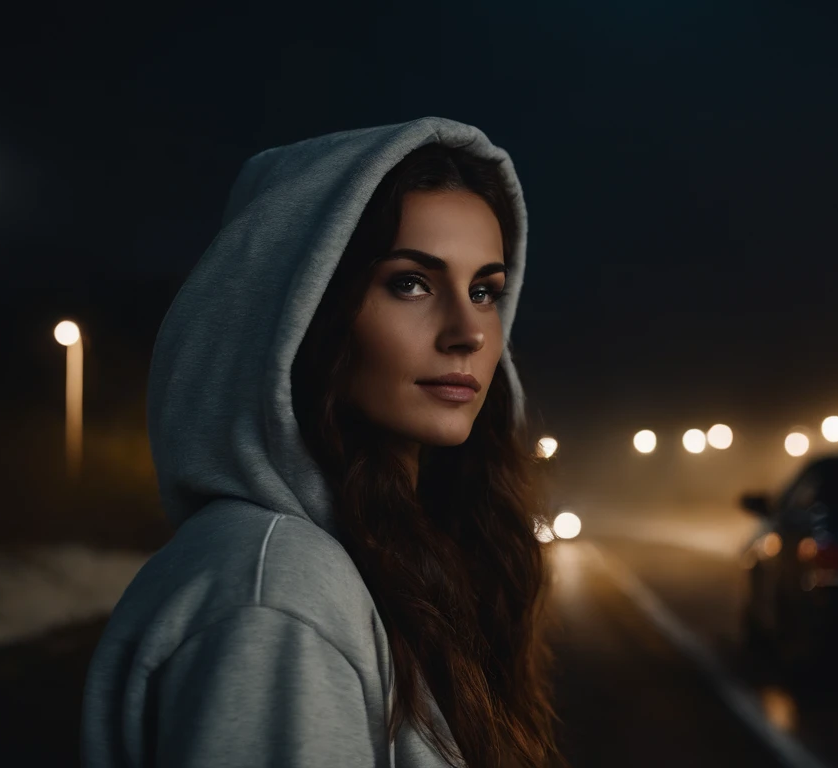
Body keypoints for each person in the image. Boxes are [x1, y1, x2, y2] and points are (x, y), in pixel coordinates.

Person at [81, 116, 564, 768]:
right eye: (410, 283)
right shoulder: (275, 589)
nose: (468, 332)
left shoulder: (375, 560)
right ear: (305, 307)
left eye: (484, 291)